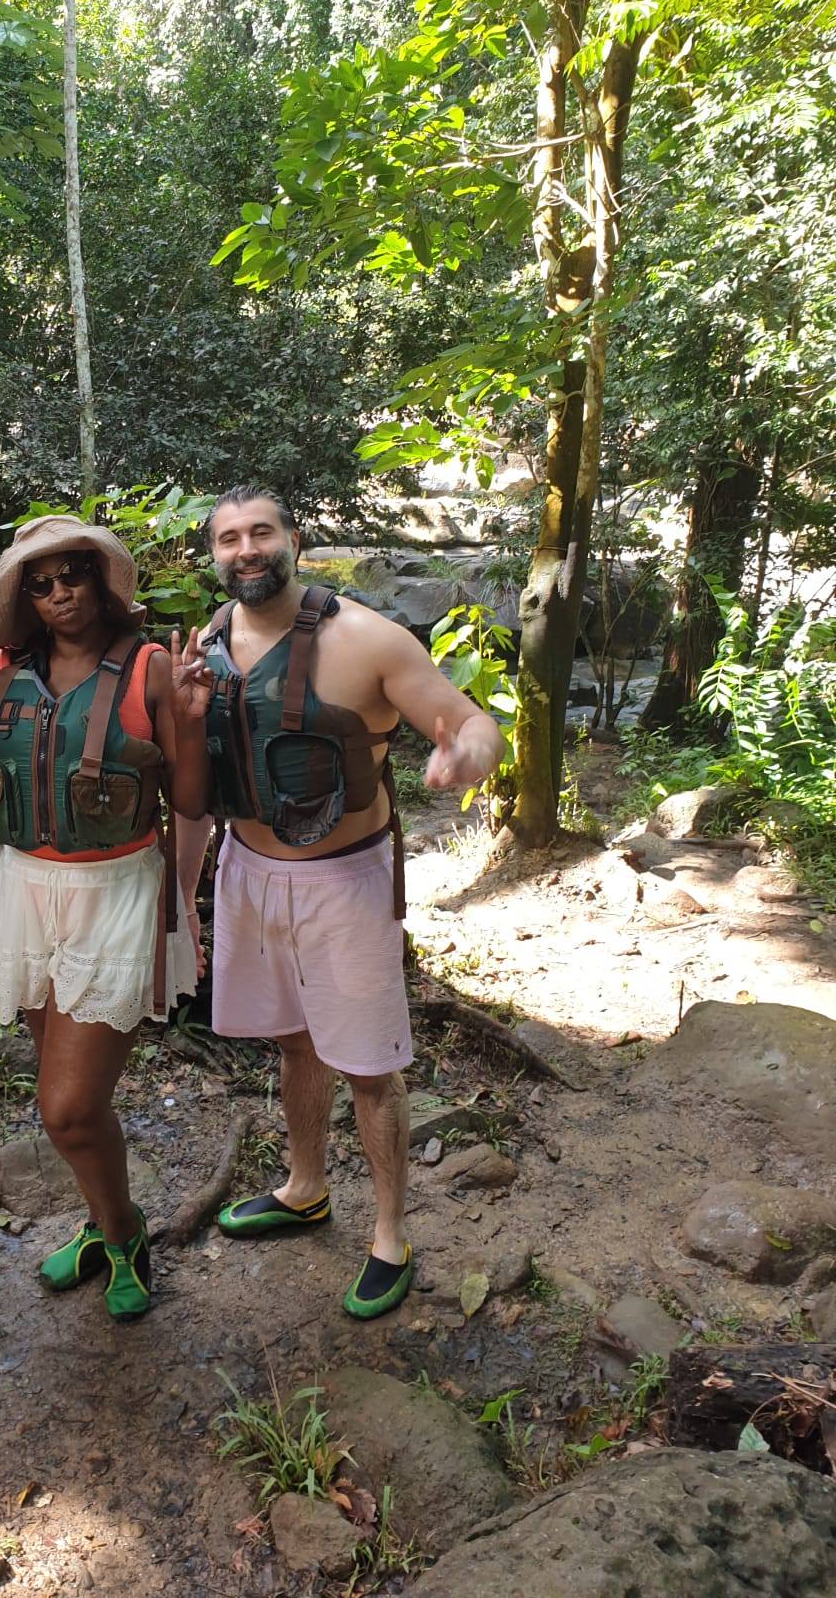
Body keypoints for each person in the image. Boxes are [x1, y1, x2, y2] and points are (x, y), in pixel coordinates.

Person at [171, 486, 504, 1320]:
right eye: (228, 539)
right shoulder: (211, 641)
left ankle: (390, 1235)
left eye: (261, 533)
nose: (246, 550)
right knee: (294, 1042)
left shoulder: (367, 639)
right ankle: (304, 1187)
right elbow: (198, 780)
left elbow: (470, 722)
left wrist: (467, 756)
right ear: (213, 555)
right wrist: (182, 893)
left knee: (368, 1064)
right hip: (247, 870)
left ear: (295, 541)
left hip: (345, 882)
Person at [0, 516, 205, 1321]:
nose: (60, 592)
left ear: (101, 581)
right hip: (24, 891)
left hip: (114, 892)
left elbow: (190, 800)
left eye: (74, 574)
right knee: (71, 1099)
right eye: (41, 583)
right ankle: (105, 1227)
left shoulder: (149, 667)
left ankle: (126, 1232)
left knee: (66, 1107)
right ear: (24, 598)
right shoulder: (8, 673)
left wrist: (191, 718)